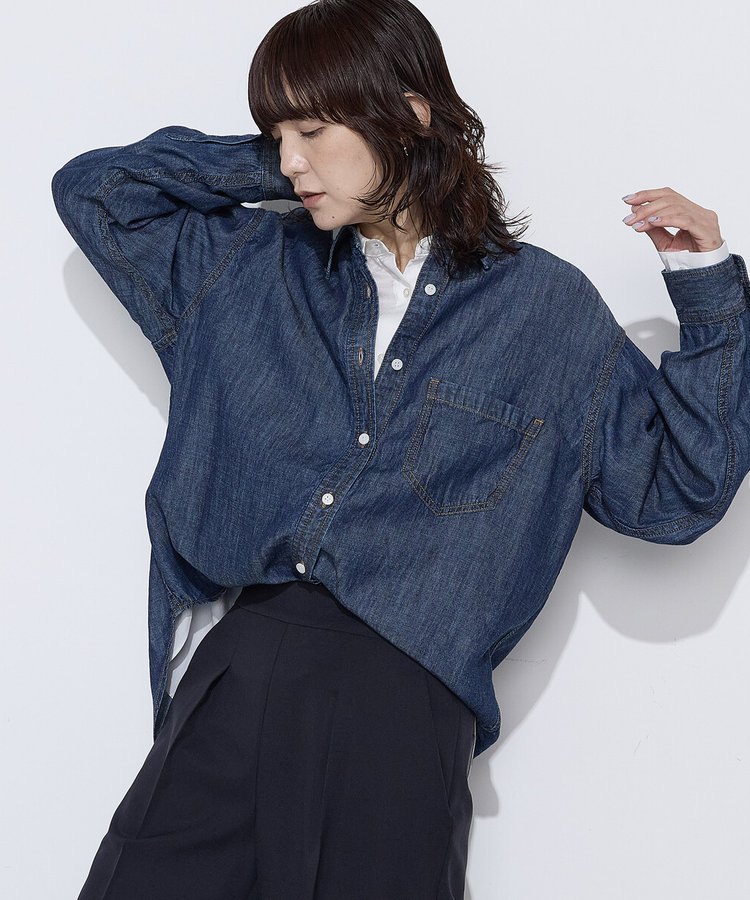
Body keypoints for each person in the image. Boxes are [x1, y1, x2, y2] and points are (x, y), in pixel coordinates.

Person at [50, 0, 749, 897]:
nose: (290, 159)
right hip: (237, 681)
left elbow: (679, 492)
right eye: (276, 135)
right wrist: (285, 157)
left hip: (406, 714)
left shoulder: (544, 311)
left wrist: (706, 287)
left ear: (410, 116)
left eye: (312, 130)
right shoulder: (245, 266)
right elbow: (97, 191)